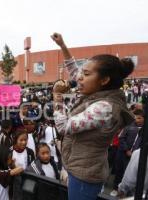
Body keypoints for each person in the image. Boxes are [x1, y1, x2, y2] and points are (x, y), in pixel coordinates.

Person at [51, 33, 134, 200]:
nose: (80, 77)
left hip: (85, 175)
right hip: (81, 169)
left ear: (104, 80)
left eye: (86, 74)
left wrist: (57, 98)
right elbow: (73, 69)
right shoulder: (99, 92)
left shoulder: (105, 107)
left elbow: (64, 127)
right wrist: (62, 46)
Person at [112, 109, 144, 195]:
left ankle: (127, 191)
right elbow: (122, 138)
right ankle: (116, 188)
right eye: (136, 118)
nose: (137, 120)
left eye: (139, 118)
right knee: (119, 170)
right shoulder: (129, 126)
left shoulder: (144, 129)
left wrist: (134, 152)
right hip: (122, 152)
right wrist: (126, 150)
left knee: (129, 172)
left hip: (135, 155)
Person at [11, 128, 35, 200]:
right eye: (21, 140)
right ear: (15, 140)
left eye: (25, 140)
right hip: (16, 183)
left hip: (29, 181)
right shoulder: (10, 153)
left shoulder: (30, 152)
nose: (24, 142)